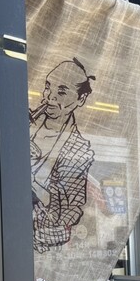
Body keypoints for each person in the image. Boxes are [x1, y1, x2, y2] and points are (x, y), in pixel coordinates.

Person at [29, 58, 95, 253]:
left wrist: (59, 227)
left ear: (81, 99)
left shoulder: (78, 150)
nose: (49, 97)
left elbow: (74, 206)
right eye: (47, 87)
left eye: (62, 92)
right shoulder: (25, 123)